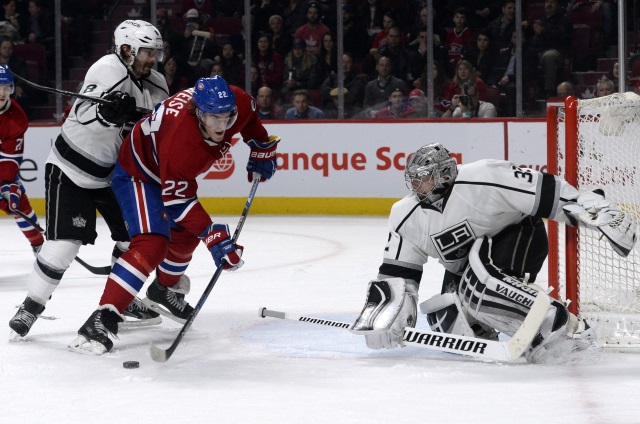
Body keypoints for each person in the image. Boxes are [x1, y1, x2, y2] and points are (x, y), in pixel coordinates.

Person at [351, 143, 636, 363]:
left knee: (481, 289)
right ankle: (498, 322)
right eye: (413, 180)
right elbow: (399, 274)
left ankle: (568, 328)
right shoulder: (405, 215)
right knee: (448, 319)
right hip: (466, 264)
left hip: (519, 237)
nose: (416, 187)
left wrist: (591, 207)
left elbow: (545, 191)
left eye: (423, 179)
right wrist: (386, 315)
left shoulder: (483, 176)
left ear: (445, 174)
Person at [69, 76, 280, 354]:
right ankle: (100, 320)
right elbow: (177, 200)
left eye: (226, 116)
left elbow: (249, 117)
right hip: (140, 174)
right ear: (198, 112)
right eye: (213, 118)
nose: (221, 125)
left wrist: (261, 144)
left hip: (167, 171)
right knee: (152, 243)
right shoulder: (183, 139)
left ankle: (162, 291)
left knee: (185, 235)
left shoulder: (236, 102)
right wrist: (212, 234)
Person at [8, 20, 169, 338]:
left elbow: (162, 127)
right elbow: (81, 112)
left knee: (135, 241)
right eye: (147, 52)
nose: (153, 58)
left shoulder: (158, 84)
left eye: (155, 52)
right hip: (71, 171)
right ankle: (31, 306)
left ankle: (122, 299)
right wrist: (106, 114)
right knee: (62, 247)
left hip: (115, 177)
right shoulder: (107, 69)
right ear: (126, 50)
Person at [0, 64, 43, 254]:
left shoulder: (16, 119)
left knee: (18, 201)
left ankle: (39, 246)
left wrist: (6, 185)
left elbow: (9, 162)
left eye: (6, 88)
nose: (2, 93)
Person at [523, 0, 573, 99]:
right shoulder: (541, 20)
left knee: (549, 56)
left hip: (556, 51)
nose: (549, 5)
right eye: (547, 2)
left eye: (552, 2)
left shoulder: (564, 20)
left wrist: (544, 31)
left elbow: (563, 37)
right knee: (524, 54)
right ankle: (527, 92)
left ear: (558, 5)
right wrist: (527, 28)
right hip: (538, 51)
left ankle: (549, 92)